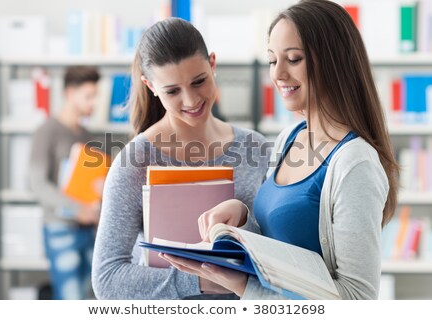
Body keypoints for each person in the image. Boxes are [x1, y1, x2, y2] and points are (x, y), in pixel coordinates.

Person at [161, 0, 399, 300]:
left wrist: (242, 286)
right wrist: (243, 217)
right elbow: (278, 246)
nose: (278, 74)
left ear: (334, 60)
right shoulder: (289, 138)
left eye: (294, 59)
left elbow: (357, 300)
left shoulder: (355, 163)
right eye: (273, 60)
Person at [91, 17, 270, 300]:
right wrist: (201, 281)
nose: (190, 100)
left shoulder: (256, 148)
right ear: (150, 85)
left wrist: (244, 220)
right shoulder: (135, 160)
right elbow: (107, 278)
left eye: (199, 81)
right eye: (172, 91)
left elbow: (275, 249)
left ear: (213, 64)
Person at [29, 66, 102, 299]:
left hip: (89, 229)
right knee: (70, 300)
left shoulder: (87, 136)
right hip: (61, 229)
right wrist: (76, 209)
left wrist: (100, 188)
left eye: (96, 96)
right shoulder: (47, 131)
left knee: (89, 297)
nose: (94, 103)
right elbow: (38, 184)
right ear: (70, 94)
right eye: (88, 96)